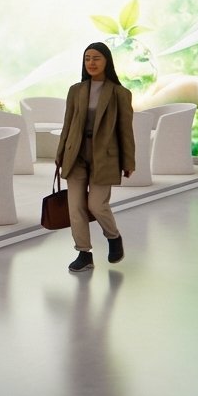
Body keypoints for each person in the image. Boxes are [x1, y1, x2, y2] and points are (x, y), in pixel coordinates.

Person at [56, 41, 136, 273]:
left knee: (97, 205)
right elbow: (67, 125)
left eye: (96, 58)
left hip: (105, 157)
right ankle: (84, 253)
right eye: (87, 58)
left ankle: (113, 237)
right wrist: (60, 154)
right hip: (76, 155)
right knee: (75, 207)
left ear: (106, 61)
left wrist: (128, 162)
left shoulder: (120, 93)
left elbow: (125, 131)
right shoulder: (76, 90)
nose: (91, 63)